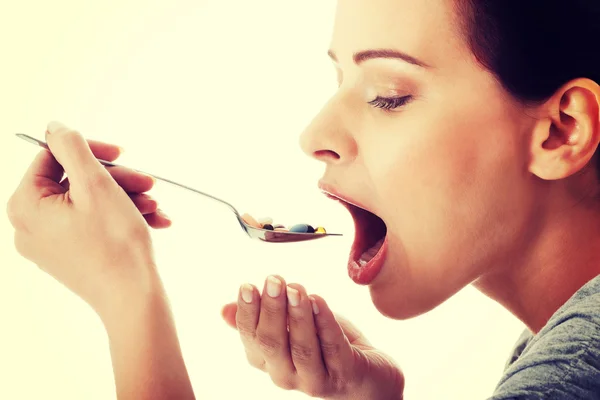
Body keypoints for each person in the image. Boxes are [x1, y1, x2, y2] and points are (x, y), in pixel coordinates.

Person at [7, 0, 600, 398]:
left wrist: (126, 296)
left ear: (561, 131)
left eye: (387, 95)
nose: (314, 136)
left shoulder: (574, 372)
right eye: (339, 81)